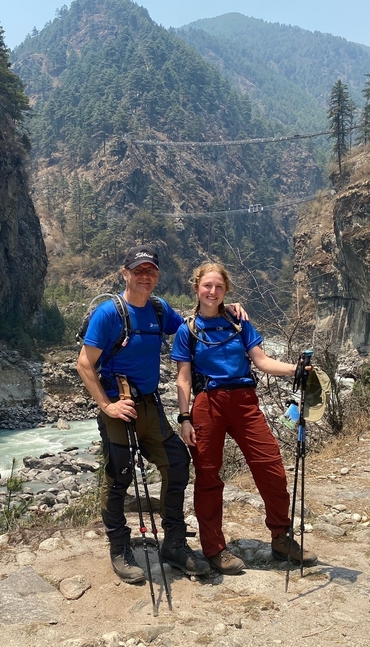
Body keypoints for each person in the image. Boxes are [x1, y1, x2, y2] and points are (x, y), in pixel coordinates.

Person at [77, 245, 246, 584]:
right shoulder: (109, 314)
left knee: (177, 461)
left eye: (150, 271)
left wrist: (225, 308)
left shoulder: (158, 309)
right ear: (125, 273)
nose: (145, 276)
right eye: (138, 270)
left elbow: (192, 323)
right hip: (118, 405)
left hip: (150, 405)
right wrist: (107, 406)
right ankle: (120, 548)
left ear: (156, 276)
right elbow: (84, 363)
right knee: (120, 475)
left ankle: (173, 543)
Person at [171, 261, 318, 575]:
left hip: (244, 402)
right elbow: (183, 379)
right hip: (207, 403)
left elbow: (262, 361)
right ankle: (214, 549)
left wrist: (296, 370)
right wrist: (185, 418)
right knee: (208, 478)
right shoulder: (188, 330)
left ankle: (281, 537)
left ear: (226, 291)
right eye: (207, 286)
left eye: (219, 287)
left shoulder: (239, 322)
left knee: (271, 466)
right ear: (196, 288)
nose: (212, 291)